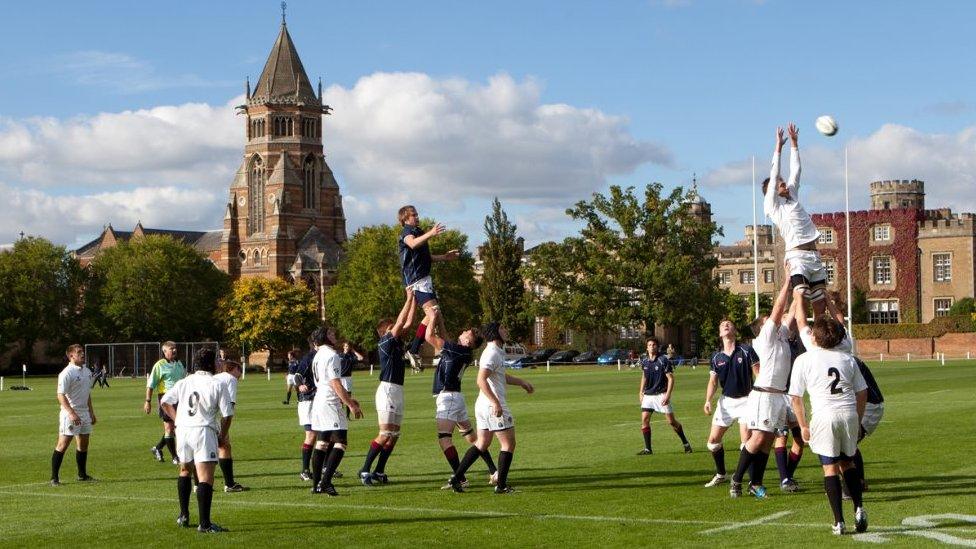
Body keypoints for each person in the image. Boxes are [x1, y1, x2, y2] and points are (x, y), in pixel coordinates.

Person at [789, 295, 869, 535]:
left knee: (830, 469)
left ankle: (839, 521)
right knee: (848, 463)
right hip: (848, 414)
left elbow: (795, 397)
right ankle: (858, 508)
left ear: (815, 337)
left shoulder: (804, 359)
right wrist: (857, 418)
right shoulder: (847, 359)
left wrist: (803, 425)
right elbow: (862, 392)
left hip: (824, 416)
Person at [447, 322, 534, 494]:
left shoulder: (495, 351)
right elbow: (480, 380)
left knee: (482, 443)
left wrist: (521, 382)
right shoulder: (492, 352)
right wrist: (496, 402)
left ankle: (456, 478)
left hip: (483, 405)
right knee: (508, 444)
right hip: (491, 405)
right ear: (495, 332)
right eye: (503, 328)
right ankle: (501, 486)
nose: (506, 330)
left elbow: (500, 376)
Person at [729, 278, 795, 498]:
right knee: (757, 438)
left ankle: (755, 483)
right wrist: (786, 281)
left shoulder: (782, 336)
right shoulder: (765, 338)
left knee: (767, 441)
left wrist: (801, 288)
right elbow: (779, 309)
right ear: (763, 328)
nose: (776, 323)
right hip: (764, 395)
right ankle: (736, 480)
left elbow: (791, 312)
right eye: (770, 322)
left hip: (777, 396)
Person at [160, 348, 233, 533]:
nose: (218, 363)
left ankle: (183, 515)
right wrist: (222, 435)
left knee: (185, 470)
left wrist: (177, 420)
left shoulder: (184, 381)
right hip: (203, 430)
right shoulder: (217, 383)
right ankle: (205, 524)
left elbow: (165, 402)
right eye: (216, 360)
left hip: (183, 430)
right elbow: (227, 414)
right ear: (210, 363)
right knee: (205, 477)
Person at [424, 308, 497, 488]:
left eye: (466, 333)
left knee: (444, 439)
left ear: (468, 341)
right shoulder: (460, 351)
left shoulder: (458, 350)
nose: (462, 332)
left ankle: (460, 478)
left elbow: (428, 337)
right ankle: (494, 471)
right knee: (473, 439)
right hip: (456, 398)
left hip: (448, 398)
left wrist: (432, 317)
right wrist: (440, 319)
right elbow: (445, 337)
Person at [764, 123, 828, 317]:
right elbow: (774, 174)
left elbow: (796, 170)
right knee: (800, 296)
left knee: (820, 302)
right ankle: (802, 335)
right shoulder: (773, 206)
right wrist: (778, 148)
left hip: (814, 256)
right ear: (771, 191)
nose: (783, 181)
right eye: (779, 183)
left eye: (783, 180)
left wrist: (794, 143)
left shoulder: (792, 195)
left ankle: (819, 339)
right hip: (796, 256)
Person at [359, 291, 417, 486]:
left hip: (398, 391)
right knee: (385, 434)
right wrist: (408, 298)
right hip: (387, 391)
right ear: (384, 332)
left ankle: (379, 470)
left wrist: (416, 300)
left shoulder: (397, 344)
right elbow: (401, 324)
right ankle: (365, 469)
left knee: (394, 436)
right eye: (391, 328)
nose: (396, 330)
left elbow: (408, 324)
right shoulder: (385, 342)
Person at [397, 205, 460, 369]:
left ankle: (418, 348)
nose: (417, 217)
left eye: (417, 214)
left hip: (424, 279)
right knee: (435, 314)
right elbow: (411, 244)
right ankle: (445, 351)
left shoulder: (418, 232)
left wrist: (445, 257)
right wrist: (431, 233)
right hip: (416, 281)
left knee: (437, 315)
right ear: (405, 219)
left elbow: (426, 257)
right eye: (413, 215)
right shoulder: (407, 233)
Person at [702, 320, 759, 488]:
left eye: (729, 324)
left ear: (735, 330)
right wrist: (708, 401)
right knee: (712, 442)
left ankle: (751, 481)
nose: (725, 325)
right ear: (720, 334)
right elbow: (713, 382)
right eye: (722, 325)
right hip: (725, 402)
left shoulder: (747, 351)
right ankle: (721, 474)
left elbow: (758, 374)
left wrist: (759, 396)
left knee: (745, 442)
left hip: (747, 400)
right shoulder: (716, 357)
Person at [309, 326, 363, 495]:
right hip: (329, 402)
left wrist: (347, 399)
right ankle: (325, 482)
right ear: (324, 337)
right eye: (331, 333)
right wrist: (351, 405)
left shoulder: (318, 355)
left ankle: (316, 484)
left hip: (319, 401)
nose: (334, 335)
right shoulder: (332, 355)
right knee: (341, 441)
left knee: (322, 441)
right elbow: (335, 383)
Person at [637, 336, 692, 455]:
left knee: (672, 422)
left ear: (657, 347)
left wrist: (667, 395)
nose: (652, 347)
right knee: (645, 419)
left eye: (654, 345)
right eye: (650, 345)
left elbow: (671, 379)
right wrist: (641, 392)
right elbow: (644, 376)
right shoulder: (645, 361)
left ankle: (686, 443)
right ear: (647, 348)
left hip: (661, 394)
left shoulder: (663, 360)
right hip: (648, 395)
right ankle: (648, 449)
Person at [51, 344, 97, 486]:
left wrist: (91, 412)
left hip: (84, 413)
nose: (82, 354)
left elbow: (87, 394)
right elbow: (60, 395)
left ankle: (82, 475)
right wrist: (71, 413)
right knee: (63, 444)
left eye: (82, 352)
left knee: (83, 444)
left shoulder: (87, 371)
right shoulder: (66, 373)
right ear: (71, 356)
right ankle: (54, 478)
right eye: (79, 352)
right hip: (70, 413)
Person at [773, 322, 807, 493]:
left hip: (795, 397)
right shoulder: (776, 342)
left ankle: (787, 476)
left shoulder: (800, 342)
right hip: (779, 395)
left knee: (800, 440)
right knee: (782, 436)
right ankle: (784, 478)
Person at [145, 341, 187, 464]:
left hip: (180, 398)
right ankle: (175, 457)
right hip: (166, 398)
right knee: (169, 428)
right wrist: (147, 401)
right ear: (164, 351)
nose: (174, 350)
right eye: (171, 348)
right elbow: (151, 385)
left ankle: (157, 448)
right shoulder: (160, 365)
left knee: (176, 427)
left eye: (175, 348)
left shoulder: (179, 363)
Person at [214, 359, 247, 493]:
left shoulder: (215, 377)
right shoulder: (230, 379)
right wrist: (223, 432)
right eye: (240, 371)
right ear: (233, 369)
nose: (240, 375)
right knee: (225, 446)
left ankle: (198, 485)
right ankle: (229, 484)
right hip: (213, 418)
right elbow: (229, 408)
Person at [853, 356, 884, 492]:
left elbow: (862, 393)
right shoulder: (844, 358)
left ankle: (854, 484)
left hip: (870, 405)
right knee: (845, 445)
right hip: (861, 403)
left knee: (846, 445)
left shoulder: (847, 360)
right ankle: (858, 482)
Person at [293, 338, 318, 481]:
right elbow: (297, 376)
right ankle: (305, 470)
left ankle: (326, 467)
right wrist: (301, 385)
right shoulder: (308, 358)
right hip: (307, 400)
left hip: (319, 400)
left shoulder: (323, 356)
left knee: (327, 435)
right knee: (311, 436)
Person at [337, 343, 365, 418]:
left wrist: (354, 351)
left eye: (348, 346)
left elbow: (361, 358)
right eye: (345, 346)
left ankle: (347, 416)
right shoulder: (339, 355)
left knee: (348, 397)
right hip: (340, 378)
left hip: (347, 378)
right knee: (340, 397)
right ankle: (340, 415)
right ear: (343, 347)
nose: (347, 347)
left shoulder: (351, 356)